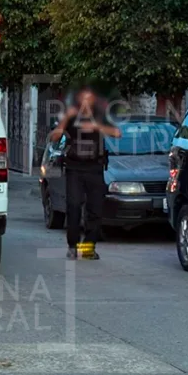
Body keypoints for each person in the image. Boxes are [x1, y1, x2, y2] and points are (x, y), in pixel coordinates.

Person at [49, 88, 122, 260]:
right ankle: (72, 246)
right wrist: (66, 118)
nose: (86, 103)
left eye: (89, 100)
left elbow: (117, 133)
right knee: (73, 207)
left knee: (95, 210)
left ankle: (89, 247)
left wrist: (97, 125)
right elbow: (54, 138)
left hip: (95, 168)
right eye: (83, 99)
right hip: (74, 168)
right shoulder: (71, 117)